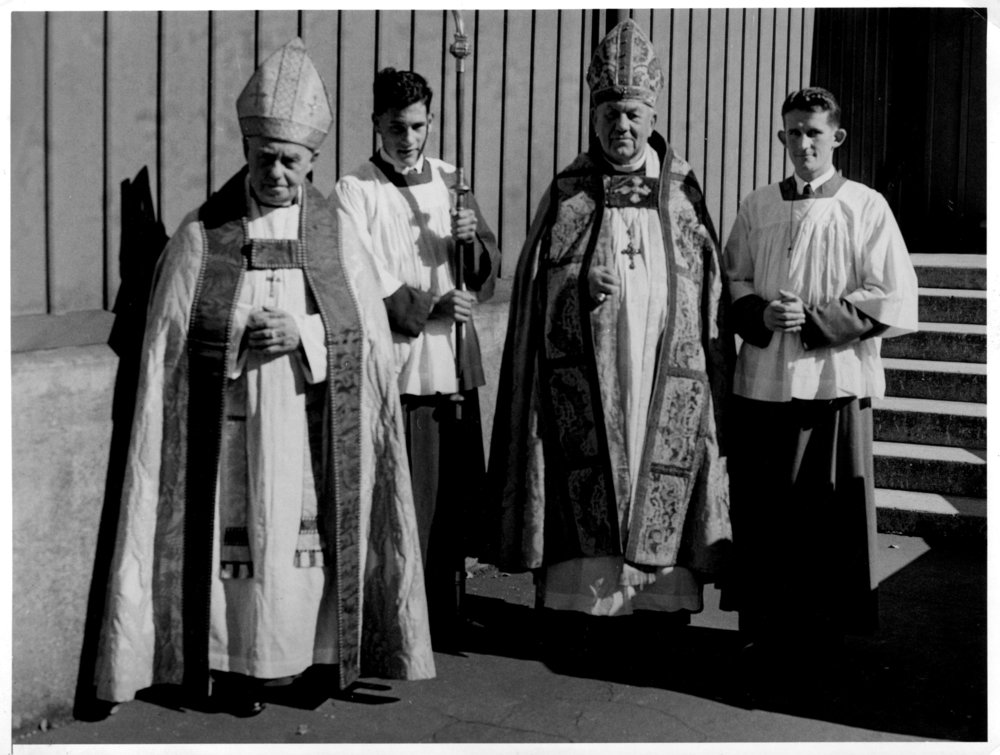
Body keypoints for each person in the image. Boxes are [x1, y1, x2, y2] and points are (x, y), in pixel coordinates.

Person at [94, 38, 435, 717]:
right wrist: (236, 336)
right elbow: (169, 344)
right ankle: (234, 670)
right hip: (231, 427)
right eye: (265, 158)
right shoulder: (204, 234)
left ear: (312, 163)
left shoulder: (336, 235)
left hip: (311, 426)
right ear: (247, 153)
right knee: (238, 553)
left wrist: (303, 335)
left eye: (291, 161)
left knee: (307, 552)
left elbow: (369, 339)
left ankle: (316, 659)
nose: (277, 173)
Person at [486, 20, 733, 647]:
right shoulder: (570, 190)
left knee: (662, 454)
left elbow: (709, 290)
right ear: (593, 118)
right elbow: (534, 288)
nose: (621, 126)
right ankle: (584, 603)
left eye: (632, 114)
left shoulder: (682, 192)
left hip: (663, 368)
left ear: (652, 116)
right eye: (609, 114)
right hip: (589, 371)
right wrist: (573, 287)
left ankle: (663, 601)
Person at [723, 87, 918, 671]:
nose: (802, 143)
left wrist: (811, 321)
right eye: (792, 132)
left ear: (837, 137)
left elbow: (892, 293)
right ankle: (763, 629)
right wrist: (759, 313)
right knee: (765, 508)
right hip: (765, 379)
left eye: (813, 132)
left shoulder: (865, 205)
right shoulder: (758, 204)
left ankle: (823, 637)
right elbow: (732, 278)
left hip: (833, 379)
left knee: (826, 513)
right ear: (781, 137)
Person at [333, 68, 500, 647]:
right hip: (401, 360)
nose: (409, 138)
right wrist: (429, 307)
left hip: (451, 358)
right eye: (397, 126)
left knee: (451, 495)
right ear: (376, 123)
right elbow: (358, 273)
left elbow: (482, 271)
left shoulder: (453, 180)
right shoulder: (354, 190)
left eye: (419, 125)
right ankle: (400, 616)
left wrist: (470, 239)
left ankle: (448, 610)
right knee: (408, 494)